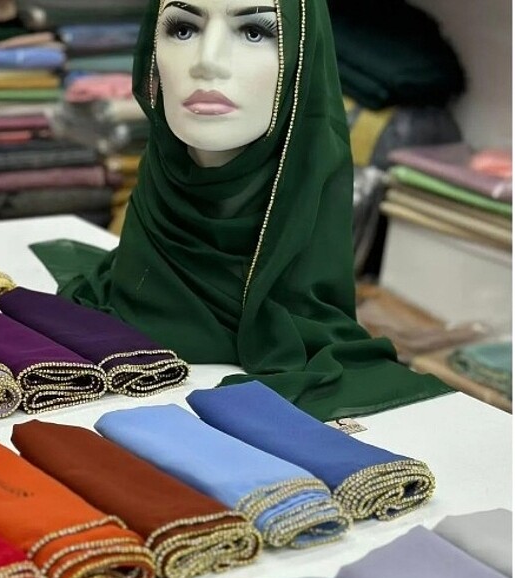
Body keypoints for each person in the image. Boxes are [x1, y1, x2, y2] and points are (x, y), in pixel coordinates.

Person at [33, 0, 450, 421]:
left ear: (301, 59)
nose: (207, 62)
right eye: (182, 29)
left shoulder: (306, 266)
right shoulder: (142, 245)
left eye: (254, 32)